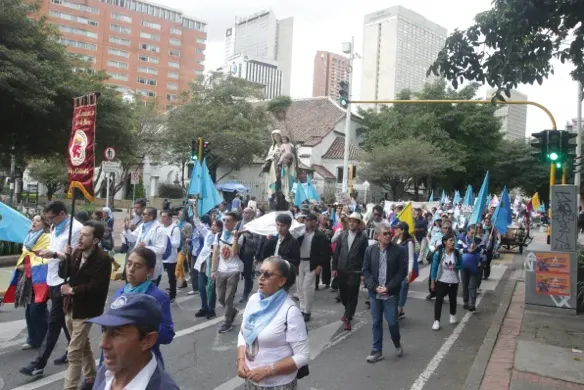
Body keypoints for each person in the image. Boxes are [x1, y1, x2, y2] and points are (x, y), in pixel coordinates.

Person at [20, 201, 82, 377]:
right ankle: (74, 350)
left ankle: (38, 364)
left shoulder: (76, 229)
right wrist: (47, 251)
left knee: (54, 322)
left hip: (65, 281)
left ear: (62, 213)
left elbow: (76, 258)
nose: (50, 222)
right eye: (47, 219)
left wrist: (54, 254)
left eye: (51, 218)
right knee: (63, 321)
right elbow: (56, 250)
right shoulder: (56, 228)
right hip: (52, 277)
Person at [237, 256, 309, 390]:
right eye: (259, 272)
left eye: (268, 274)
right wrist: (241, 360)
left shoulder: (290, 311)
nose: (261, 278)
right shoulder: (254, 300)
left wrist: (267, 371)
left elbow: (302, 356)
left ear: (281, 281)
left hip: (278, 384)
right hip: (252, 380)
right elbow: (244, 333)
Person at [58, 220, 112, 390]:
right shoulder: (75, 253)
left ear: (95, 240)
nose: (80, 238)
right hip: (70, 307)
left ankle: (70, 387)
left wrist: (72, 290)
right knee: (82, 344)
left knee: (73, 352)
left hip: (86, 309)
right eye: (80, 233)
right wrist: (65, 258)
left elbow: (96, 288)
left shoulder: (103, 259)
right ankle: (91, 376)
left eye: (85, 235)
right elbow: (63, 274)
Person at [89, 294, 179, 390]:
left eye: (116, 334)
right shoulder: (105, 372)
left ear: (147, 340)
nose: (102, 344)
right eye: (104, 330)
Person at [109, 247, 174, 367]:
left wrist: (142, 323)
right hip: (119, 360)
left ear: (150, 271)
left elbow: (168, 335)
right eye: (129, 264)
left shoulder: (157, 297)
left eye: (138, 266)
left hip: (144, 362)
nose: (131, 270)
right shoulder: (120, 294)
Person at [3, 215, 51, 350]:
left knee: (36, 309)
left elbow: (47, 257)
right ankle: (35, 338)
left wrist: (32, 264)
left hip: (41, 277)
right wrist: (22, 265)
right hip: (28, 277)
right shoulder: (29, 236)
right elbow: (26, 255)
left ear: (44, 223)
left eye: (37, 220)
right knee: (30, 309)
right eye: (33, 220)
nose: (34, 222)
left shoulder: (48, 237)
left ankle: (42, 337)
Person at [362, 221, 407, 363]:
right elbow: (366, 270)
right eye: (385, 233)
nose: (389, 235)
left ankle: (397, 342)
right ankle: (377, 351)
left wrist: (389, 287)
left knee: (392, 322)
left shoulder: (398, 250)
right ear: (377, 236)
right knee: (376, 322)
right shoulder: (370, 250)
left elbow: (401, 272)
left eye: (390, 233)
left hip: (390, 294)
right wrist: (374, 286)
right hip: (374, 294)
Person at [332, 212, 369, 331]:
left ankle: (348, 317)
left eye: (354, 221)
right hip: (342, 269)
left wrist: (363, 273)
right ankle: (347, 310)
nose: (352, 223)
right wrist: (334, 268)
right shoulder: (342, 235)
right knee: (343, 295)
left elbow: (365, 256)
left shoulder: (362, 238)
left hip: (355, 271)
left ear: (358, 224)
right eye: (350, 221)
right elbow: (336, 253)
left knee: (352, 295)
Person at [211, 212, 244, 333]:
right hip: (221, 270)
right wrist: (213, 270)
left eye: (228, 220)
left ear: (234, 222)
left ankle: (227, 322)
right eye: (224, 220)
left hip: (234, 270)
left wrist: (235, 238)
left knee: (228, 298)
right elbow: (215, 253)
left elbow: (235, 252)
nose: (225, 223)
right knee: (220, 298)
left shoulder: (239, 236)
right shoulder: (219, 235)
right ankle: (232, 311)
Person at [296, 214, 328, 322]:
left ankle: (307, 311)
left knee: (307, 288)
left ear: (315, 222)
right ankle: (302, 308)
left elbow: (324, 252)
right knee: (300, 287)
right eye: (306, 220)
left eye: (309, 220)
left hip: (312, 263)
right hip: (300, 261)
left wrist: (320, 265)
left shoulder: (319, 235)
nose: (307, 222)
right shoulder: (300, 233)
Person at [430, 233, 463, 331]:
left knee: (453, 299)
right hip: (441, 280)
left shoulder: (456, 253)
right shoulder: (439, 253)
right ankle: (436, 320)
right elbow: (434, 268)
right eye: (450, 240)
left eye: (453, 241)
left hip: (454, 281)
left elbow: (462, 265)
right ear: (445, 242)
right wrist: (432, 281)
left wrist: (455, 267)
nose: (453, 243)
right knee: (439, 300)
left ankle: (452, 314)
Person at [194, 209, 221, 319]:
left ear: (220, 228)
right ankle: (204, 307)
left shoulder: (220, 237)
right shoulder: (208, 233)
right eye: (213, 225)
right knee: (201, 287)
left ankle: (211, 309)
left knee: (211, 289)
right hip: (203, 264)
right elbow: (197, 222)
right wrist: (195, 209)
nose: (213, 227)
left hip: (212, 264)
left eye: (216, 226)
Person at [130, 207, 167, 286]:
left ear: (151, 217)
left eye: (144, 214)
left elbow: (161, 249)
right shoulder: (142, 226)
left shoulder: (160, 230)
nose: (142, 215)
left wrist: (146, 247)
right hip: (140, 263)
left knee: (149, 293)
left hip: (152, 266)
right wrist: (126, 230)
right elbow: (132, 238)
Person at [457, 225, 482, 313]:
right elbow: (457, 250)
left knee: (472, 286)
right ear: (468, 231)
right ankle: (465, 301)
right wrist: (467, 250)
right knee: (465, 284)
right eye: (472, 232)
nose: (473, 234)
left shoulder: (478, 240)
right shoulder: (462, 239)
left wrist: (477, 248)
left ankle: (472, 304)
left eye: (475, 232)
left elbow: (484, 251)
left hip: (474, 266)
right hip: (464, 265)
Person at [394, 222, 416, 319]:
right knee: (395, 290)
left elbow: (411, 258)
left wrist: (409, 273)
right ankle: (401, 312)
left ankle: (398, 310)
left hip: (404, 270)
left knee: (403, 289)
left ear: (402, 230)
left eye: (397, 228)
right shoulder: (394, 240)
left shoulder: (409, 242)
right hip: (394, 270)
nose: (395, 230)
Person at [122, 198, 147, 279]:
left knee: (137, 272)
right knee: (127, 271)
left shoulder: (146, 219)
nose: (135, 210)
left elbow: (144, 232)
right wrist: (126, 227)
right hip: (130, 247)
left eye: (138, 208)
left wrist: (133, 228)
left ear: (143, 208)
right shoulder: (132, 217)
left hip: (140, 248)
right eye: (134, 208)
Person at [160, 210, 181, 303]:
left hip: (171, 257)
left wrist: (167, 241)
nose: (162, 218)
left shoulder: (175, 229)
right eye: (162, 216)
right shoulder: (160, 227)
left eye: (164, 217)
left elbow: (176, 244)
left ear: (169, 218)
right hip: (161, 256)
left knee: (171, 277)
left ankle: (173, 294)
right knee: (157, 275)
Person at [238, 207, 259, 303]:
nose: (245, 214)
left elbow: (256, 242)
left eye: (247, 212)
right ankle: (249, 280)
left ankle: (245, 294)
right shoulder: (239, 223)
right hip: (238, 251)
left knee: (246, 273)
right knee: (238, 271)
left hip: (248, 252)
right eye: (244, 212)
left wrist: (246, 239)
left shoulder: (254, 226)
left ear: (251, 214)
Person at [175, 209, 192, 289]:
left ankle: (173, 282)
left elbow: (189, 237)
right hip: (176, 247)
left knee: (178, 264)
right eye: (178, 214)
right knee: (181, 265)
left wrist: (182, 232)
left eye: (180, 214)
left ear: (185, 215)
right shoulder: (176, 224)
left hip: (184, 247)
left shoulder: (188, 225)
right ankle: (184, 281)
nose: (179, 215)